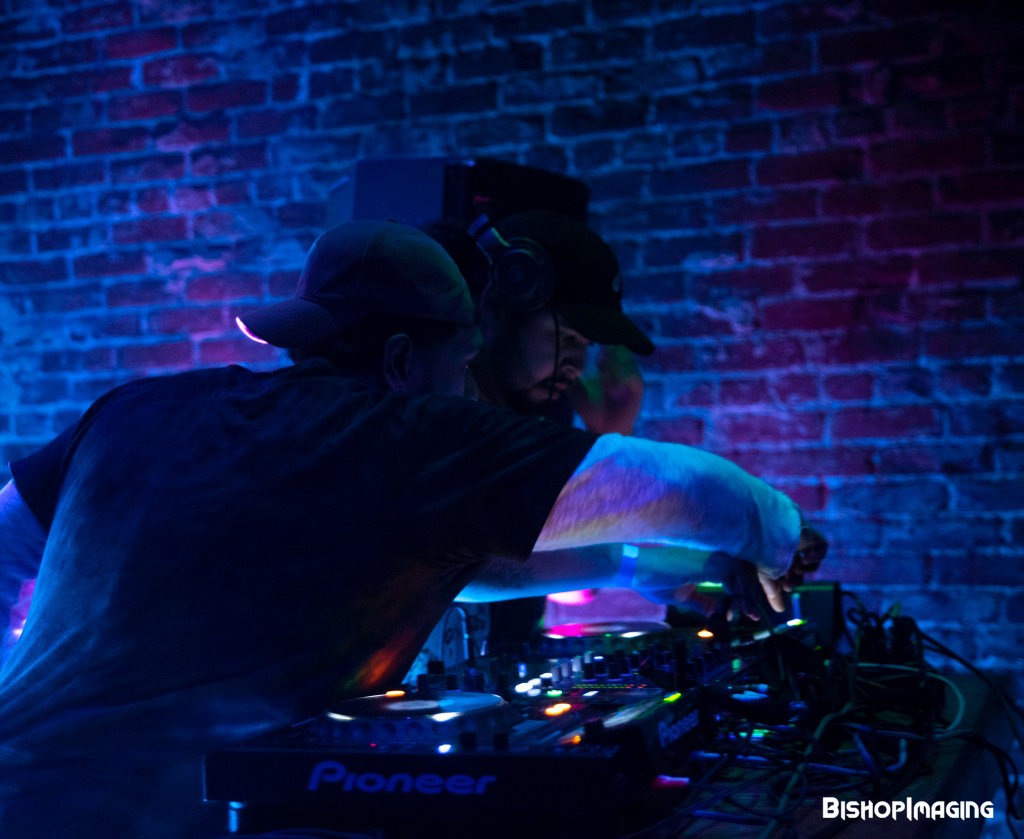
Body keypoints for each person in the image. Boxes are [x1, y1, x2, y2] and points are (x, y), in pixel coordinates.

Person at [0, 220, 817, 839]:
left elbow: (462, 565)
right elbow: (687, 485)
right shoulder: (404, 435)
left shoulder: (134, 410)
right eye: (460, 365)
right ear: (401, 360)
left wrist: (644, 566)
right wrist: (786, 543)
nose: (464, 386)